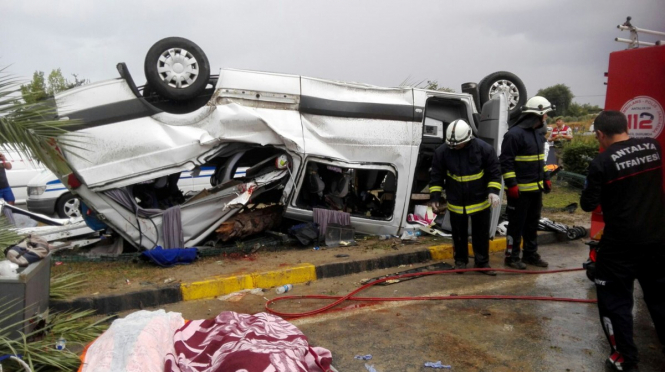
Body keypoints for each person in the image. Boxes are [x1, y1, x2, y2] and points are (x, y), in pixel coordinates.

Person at [580, 111, 665, 372]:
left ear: (600, 134)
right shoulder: (653, 147)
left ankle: (625, 357)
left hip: (620, 247)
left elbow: (588, 204)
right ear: (626, 127)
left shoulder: (602, 162)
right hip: (657, 239)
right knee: (661, 297)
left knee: (615, 302)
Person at [429, 119, 502, 276]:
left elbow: (494, 172)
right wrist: (435, 197)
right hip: (456, 201)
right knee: (458, 234)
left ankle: (482, 263)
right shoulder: (442, 152)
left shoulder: (484, 149)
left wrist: (493, 191)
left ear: (468, 139)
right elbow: (436, 176)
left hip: (480, 200)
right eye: (451, 145)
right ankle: (460, 262)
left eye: (457, 145)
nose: (454, 147)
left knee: (481, 234)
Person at [499, 96, 553, 269]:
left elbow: (540, 161)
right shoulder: (514, 135)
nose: (547, 117)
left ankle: (530, 255)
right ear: (537, 114)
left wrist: (546, 178)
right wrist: (512, 185)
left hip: (536, 190)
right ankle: (512, 257)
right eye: (545, 114)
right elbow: (505, 162)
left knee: (532, 224)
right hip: (519, 192)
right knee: (516, 226)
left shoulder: (538, 134)